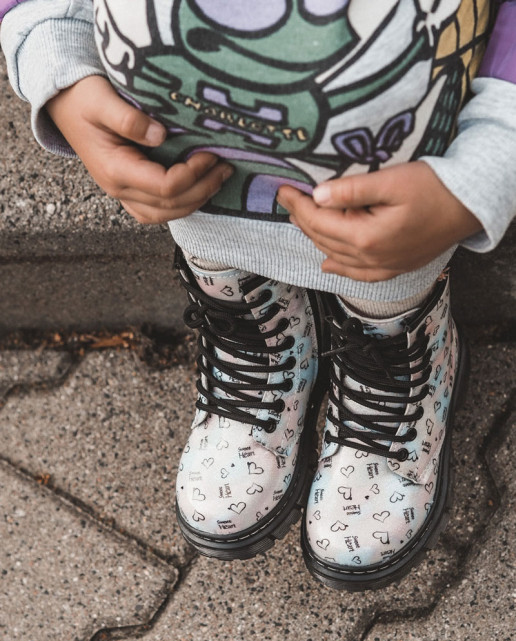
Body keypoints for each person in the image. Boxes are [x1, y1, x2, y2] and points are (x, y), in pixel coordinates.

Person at [2, 0, 515, 590]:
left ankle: (392, 335)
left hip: (399, 142)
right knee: (198, 190)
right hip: (183, 128)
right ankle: (254, 324)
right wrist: (55, 46)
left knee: (385, 259)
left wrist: (493, 155)